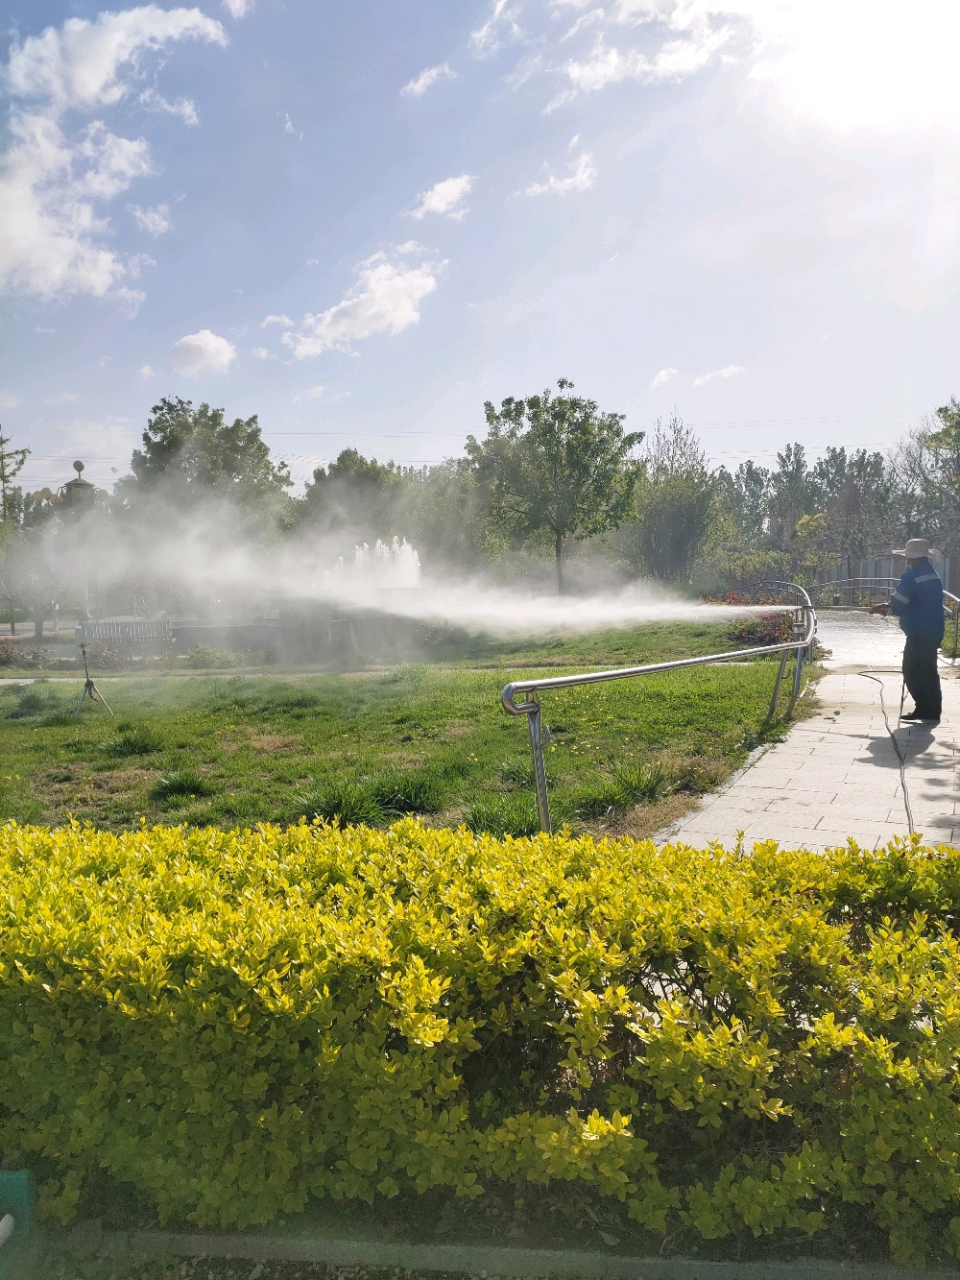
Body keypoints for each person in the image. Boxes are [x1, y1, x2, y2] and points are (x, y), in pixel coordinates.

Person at [887, 537, 944, 722]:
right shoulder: (933, 574)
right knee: (929, 670)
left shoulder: (912, 576)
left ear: (912, 557)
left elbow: (899, 602)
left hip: (918, 631)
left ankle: (923, 707)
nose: (907, 560)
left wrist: (887, 608)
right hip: (934, 629)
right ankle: (933, 710)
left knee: (911, 670)